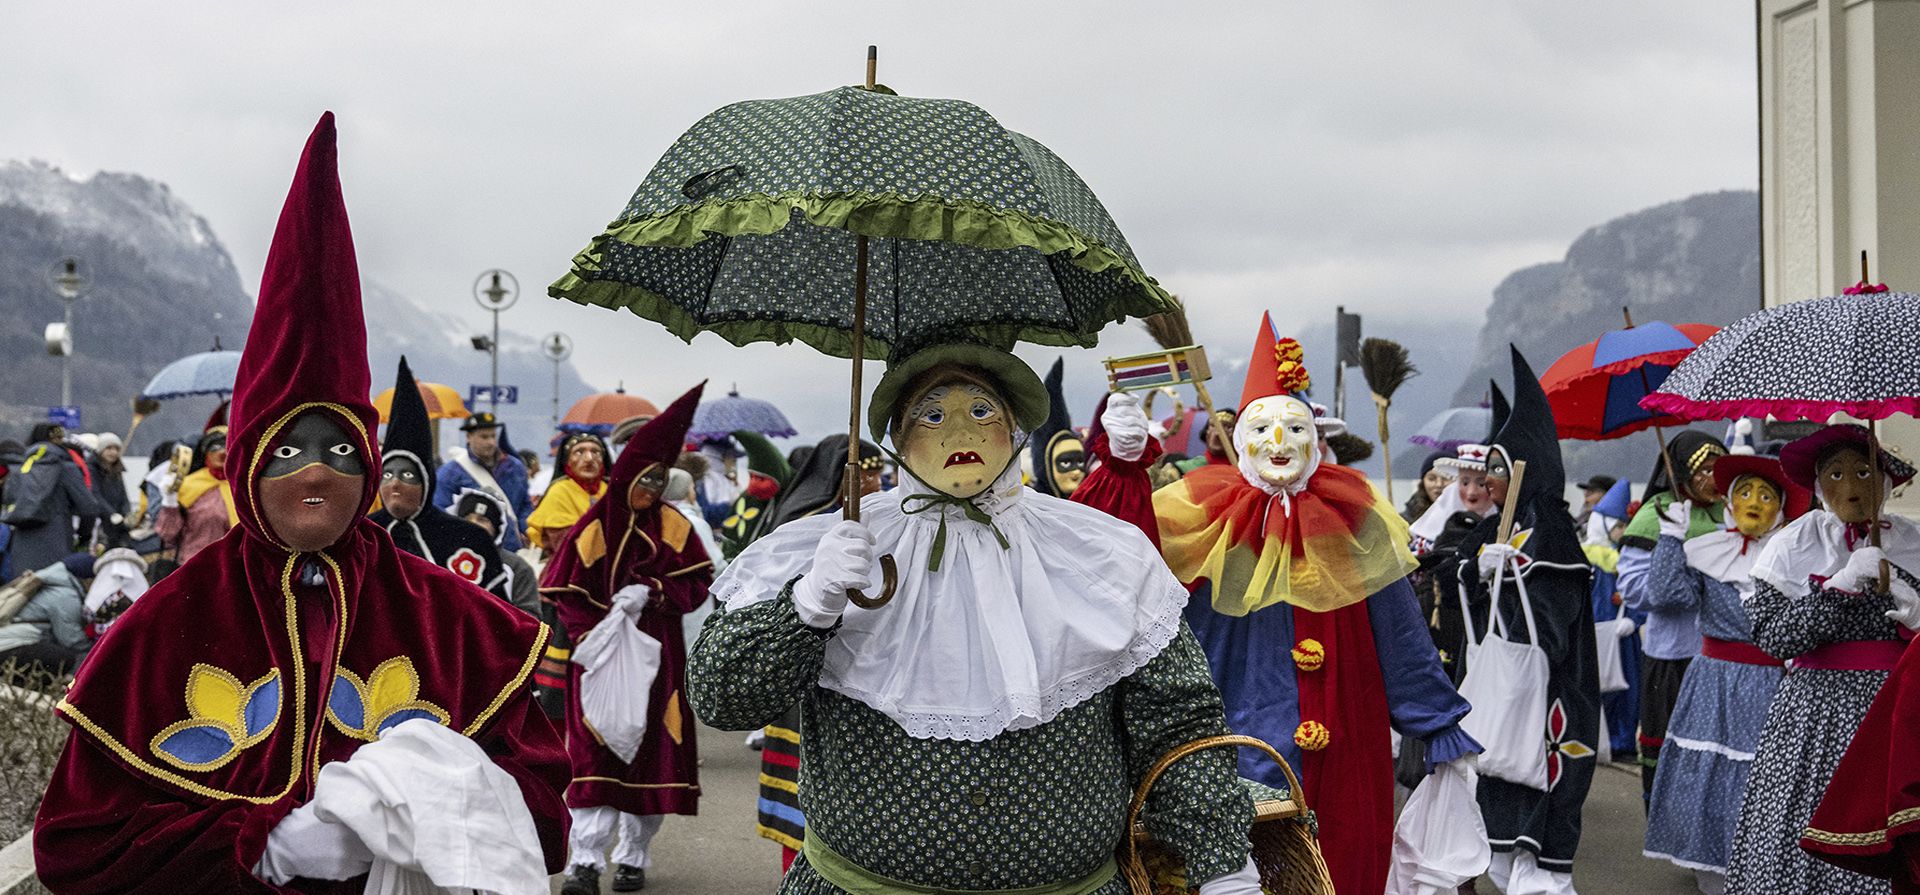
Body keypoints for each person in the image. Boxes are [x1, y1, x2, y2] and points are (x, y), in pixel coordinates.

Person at [32, 114, 568, 891]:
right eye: (287, 450)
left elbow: (545, 823)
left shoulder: (460, 626)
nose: (316, 473)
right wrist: (258, 845)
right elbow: (75, 849)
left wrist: (428, 812)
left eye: (341, 449)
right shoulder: (159, 631)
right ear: (245, 463)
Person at [693, 340, 1261, 894]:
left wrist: (1224, 868)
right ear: (896, 436)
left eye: (981, 410)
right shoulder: (829, 545)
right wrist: (806, 605)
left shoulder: (1102, 553)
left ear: (1015, 426)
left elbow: (1179, 724)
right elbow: (722, 699)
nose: (960, 432)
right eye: (931, 414)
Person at [1082, 317, 1476, 895]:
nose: (1279, 442)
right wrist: (1121, 467)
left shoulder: (1357, 519)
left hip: (1346, 738)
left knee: (1340, 868)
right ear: (1240, 439)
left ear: (1315, 441)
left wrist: (1437, 722)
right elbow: (1116, 569)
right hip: (1229, 743)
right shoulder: (1196, 515)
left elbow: (1400, 631)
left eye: (1294, 427)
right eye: (1262, 427)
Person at [1725, 424, 1918, 895]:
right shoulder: (1795, 543)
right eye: (1835, 474)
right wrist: (1839, 587)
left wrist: (1915, 613)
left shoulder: (1912, 540)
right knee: (1809, 816)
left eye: (1863, 471)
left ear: (1887, 480)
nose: (1852, 488)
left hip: (1896, 710)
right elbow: (1773, 636)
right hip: (1816, 713)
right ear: (1818, 486)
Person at [546, 385, 713, 895]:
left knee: (652, 752)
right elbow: (564, 587)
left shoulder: (674, 526)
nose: (652, 487)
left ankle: (634, 856)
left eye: (660, 479)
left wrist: (656, 593)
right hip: (598, 659)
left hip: (658, 658)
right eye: (646, 478)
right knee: (594, 756)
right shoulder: (595, 526)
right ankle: (585, 863)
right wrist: (593, 634)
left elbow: (698, 582)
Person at [1453, 347, 1599, 895]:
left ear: (1524, 469)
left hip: (1548, 702)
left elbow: (1549, 627)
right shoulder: (1504, 528)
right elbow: (1458, 572)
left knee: (1539, 844)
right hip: (1507, 699)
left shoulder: (1552, 530)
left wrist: (1509, 575)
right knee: (1502, 821)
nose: (1487, 481)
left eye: (1498, 468)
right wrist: (1480, 568)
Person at [1643, 454, 1808, 895]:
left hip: (1772, 684)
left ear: (1782, 507)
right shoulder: (1707, 550)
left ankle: (1758, 864)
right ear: (1729, 503)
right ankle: (1710, 869)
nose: (1755, 502)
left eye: (1767, 495)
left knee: (1761, 776)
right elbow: (1663, 597)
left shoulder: (1793, 560)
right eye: (1745, 492)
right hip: (1713, 682)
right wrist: (1671, 540)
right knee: (1710, 770)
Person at [734, 432, 884, 871]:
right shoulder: (804, 523)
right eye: (866, 475)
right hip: (806, 665)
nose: (874, 485)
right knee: (803, 794)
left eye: (879, 475)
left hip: (860, 668)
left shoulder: (884, 520)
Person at [1619, 431, 1728, 806]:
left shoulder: (1733, 514)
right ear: (1681, 472)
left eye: (1721, 469)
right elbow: (1633, 589)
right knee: (1671, 746)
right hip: (1672, 656)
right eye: (1705, 470)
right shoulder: (1655, 515)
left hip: (1722, 658)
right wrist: (1683, 587)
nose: (1714, 479)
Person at [369, 357, 510, 602]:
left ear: (426, 481)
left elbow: (496, 613)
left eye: (408, 475)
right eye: (388, 474)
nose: (395, 484)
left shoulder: (468, 538)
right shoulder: (362, 536)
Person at [4, 424, 110, 574]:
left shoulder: (21, 469)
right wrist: (83, 537)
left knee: (22, 592)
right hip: (57, 542)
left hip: (21, 545)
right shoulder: (66, 467)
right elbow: (89, 508)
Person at [434, 411, 532, 551]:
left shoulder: (515, 467)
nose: (491, 442)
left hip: (512, 549)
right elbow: (442, 512)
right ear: (469, 437)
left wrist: (527, 531)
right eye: (484, 437)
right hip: (470, 549)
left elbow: (524, 505)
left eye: (493, 436)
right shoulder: (449, 473)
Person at [158, 404, 239, 563]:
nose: (223, 452)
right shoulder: (188, 485)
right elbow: (168, 534)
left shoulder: (243, 487)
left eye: (227, 446)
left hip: (236, 565)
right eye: (216, 446)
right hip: (196, 565)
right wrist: (169, 501)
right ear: (206, 452)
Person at [0, 555, 98, 674]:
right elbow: (71, 640)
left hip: (7, 643)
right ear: (88, 579)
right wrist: (98, 648)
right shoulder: (65, 595)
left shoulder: (49, 582)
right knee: (69, 660)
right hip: (10, 645)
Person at [453, 488, 541, 617]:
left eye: (483, 520)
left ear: (497, 527)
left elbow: (530, 618)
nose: (474, 525)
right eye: (467, 518)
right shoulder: (442, 558)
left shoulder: (517, 568)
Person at [526, 431, 609, 553]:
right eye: (579, 452)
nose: (589, 459)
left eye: (595, 452)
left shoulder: (611, 490)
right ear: (567, 460)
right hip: (568, 566)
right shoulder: (559, 492)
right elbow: (564, 544)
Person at [1028, 357, 1087, 498]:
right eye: (1066, 462)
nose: (1076, 472)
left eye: (1079, 462)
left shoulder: (1090, 507)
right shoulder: (1033, 510)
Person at [84, 433, 131, 548]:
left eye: (116, 449)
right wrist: (111, 514)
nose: (113, 452)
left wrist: (126, 513)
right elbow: (95, 494)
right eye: (109, 448)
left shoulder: (117, 469)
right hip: (100, 521)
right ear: (101, 450)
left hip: (117, 522)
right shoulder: (92, 469)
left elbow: (123, 495)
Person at [1402, 449, 1454, 523]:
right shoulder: (1406, 520)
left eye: (1446, 478)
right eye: (1432, 479)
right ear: (1423, 482)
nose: (1439, 484)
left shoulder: (1470, 515)